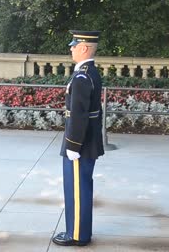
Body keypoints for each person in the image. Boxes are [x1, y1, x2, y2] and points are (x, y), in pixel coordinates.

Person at [52, 30, 104, 247]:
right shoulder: (90, 72)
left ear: (84, 48)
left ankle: (77, 234)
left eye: (74, 45)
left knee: (77, 189)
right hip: (86, 140)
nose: (71, 48)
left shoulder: (82, 76)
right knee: (81, 187)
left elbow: (80, 114)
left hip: (79, 143)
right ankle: (80, 231)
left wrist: (73, 145)